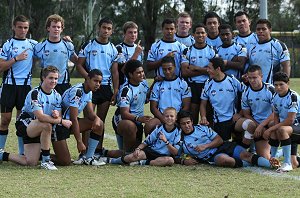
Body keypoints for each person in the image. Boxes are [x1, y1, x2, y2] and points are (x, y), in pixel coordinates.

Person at [0, 66, 72, 170]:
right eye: (51, 78)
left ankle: (2, 155)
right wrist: (61, 120)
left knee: (30, 162)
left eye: (56, 78)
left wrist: (57, 114)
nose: (54, 81)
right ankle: (46, 161)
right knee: (46, 125)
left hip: (39, 125)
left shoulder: (57, 95)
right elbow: (40, 117)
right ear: (43, 78)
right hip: (26, 123)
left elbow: (57, 115)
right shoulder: (35, 93)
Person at [178, 110, 280, 169]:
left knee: (246, 155)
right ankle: (252, 163)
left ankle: (271, 165)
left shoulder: (201, 128)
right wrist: (185, 160)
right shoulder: (180, 139)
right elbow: (177, 154)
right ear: (179, 125)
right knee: (224, 160)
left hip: (223, 146)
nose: (187, 126)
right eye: (183, 124)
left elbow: (219, 140)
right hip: (213, 157)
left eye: (188, 122)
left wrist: (205, 146)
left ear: (192, 121)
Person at [76, 17, 119, 155]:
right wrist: (88, 79)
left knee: (100, 120)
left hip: (105, 87)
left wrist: (116, 89)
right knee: (89, 119)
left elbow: (114, 70)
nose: (106, 31)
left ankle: (97, 151)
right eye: (104, 27)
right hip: (90, 87)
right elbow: (79, 65)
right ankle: (84, 151)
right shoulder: (88, 45)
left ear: (111, 31)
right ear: (98, 28)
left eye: (109, 28)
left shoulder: (113, 49)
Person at [47, 69, 106, 166]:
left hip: (69, 123)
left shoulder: (89, 92)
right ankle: (41, 154)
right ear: (87, 79)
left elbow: (91, 113)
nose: (98, 84)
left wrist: (96, 119)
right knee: (65, 162)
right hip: (59, 125)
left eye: (100, 82)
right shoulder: (77, 91)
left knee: (99, 123)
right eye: (95, 81)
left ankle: (88, 157)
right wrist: (79, 142)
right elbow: (73, 118)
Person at [0, 15, 38, 155]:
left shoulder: (33, 44)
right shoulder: (8, 44)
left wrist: (64, 39)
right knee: (5, 120)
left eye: (25, 27)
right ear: (14, 27)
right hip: (9, 86)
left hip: (25, 88)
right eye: (20, 27)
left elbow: (49, 47)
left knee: (22, 121)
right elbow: (1, 67)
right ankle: (0, 151)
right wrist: (16, 58)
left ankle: (23, 153)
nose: (23, 30)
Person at [110, 107, 181, 166]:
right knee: (132, 156)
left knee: (170, 161)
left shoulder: (178, 131)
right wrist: (138, 149)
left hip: (164, 155)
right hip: (151, 151)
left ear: (176, 118)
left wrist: (166, 142)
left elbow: (175, 152)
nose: (169, 118)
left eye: (172, 116)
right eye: (167, 116)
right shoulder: (159, 128)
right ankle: (112, 161)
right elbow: (146, 142)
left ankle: (143, 162)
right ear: (163, 117)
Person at [263, 72, 300, 172]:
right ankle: (273, 158)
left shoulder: (293, 97)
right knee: (295, 163)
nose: (278, 87)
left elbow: (290, 120)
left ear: (288, 83)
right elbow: (276, 115)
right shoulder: (275, 96)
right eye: (276, 85)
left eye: (281, 84)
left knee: (280, 129)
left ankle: (287, 163)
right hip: (289, 129)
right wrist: (273, 129)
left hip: (296, 127)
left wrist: (270, 130)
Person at [200, 57, 244, 141]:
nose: (207, 70)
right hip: (219, 122)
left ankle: (251, 149)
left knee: (248, 126)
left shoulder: (232, 80)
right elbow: (203, 103)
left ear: (218, 69)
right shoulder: (208, 84)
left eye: (209, 68)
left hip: (234, 119)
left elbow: (246, 94)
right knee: (224, 148)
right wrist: (203, 117)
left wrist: (240, 113)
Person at [234, 65, 273, 159]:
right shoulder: (246, 92)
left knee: (265, 158)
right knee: (250, 124)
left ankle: (279, 149)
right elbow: (246, 113)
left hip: (267, 123)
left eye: (255, 77)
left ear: (261, 77)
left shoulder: (270, 89)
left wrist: (262, 126)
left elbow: (276, 112)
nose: (252, 80)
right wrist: (258, 127)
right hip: (255, 124)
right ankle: (243, 149)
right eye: (250, 78)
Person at [144, 56, 191, 135]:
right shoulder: (158, 85)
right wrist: (165, 119)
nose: (167, 72)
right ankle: (149, 146)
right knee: (149, 125)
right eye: (164, 69)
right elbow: (153, 107)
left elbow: (186, 106)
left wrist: (175, 119)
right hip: (161, 117)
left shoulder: (182, 83)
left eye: (170, 68)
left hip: (178, 117)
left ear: (175, 67)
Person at [112, 59, 151, 153]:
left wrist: (155, 83)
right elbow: (124, 113)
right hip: (123, 121)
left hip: (137, 122)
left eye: (142, 71)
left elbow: (145, 99)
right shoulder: (126, 90)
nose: (142, 74)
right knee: (129, 153)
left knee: (135, 152)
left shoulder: (143, 83)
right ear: (130, 75)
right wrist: (139, 118)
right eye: (138, 73)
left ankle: (107, 153)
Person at [34, 14, 78, 95]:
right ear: (48, 28)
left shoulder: (68, 45)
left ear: (62, 29)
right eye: (53, 27)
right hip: (46, 84)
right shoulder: (40, 47)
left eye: (58, 27)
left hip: (63, 84)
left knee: (63, 107)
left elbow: (78, 62)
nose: (56, 29)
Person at [181, 23, 215, 124]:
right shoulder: (187, 51)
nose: (200, 35)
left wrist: (195, 68)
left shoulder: (212, 51)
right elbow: (185, 72)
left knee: (208, 115)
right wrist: (205, 70)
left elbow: (213, 72)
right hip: (193, 86)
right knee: (193, 114)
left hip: (208, 85)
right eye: (198, 33)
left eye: (202, 33)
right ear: (193, 35)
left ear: (206, 35)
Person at [248, 19, 290, 84]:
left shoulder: (278, 45)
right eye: (258, 29)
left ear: (270, 30)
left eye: (263, 29)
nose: (260, 31)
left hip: (272, 87)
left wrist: (284, 83)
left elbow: (286, 65)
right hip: (256, 88)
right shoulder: (252, 48)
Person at [116, 21, 143, 87]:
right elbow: (123, 70)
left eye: (135, 32)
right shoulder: (119, 48)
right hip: (124, 86)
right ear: (124, 34)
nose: (133, 35)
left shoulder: (139, 48)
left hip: (138, 87)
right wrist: (136, 54)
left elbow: (141, 69)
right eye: (130, 32)